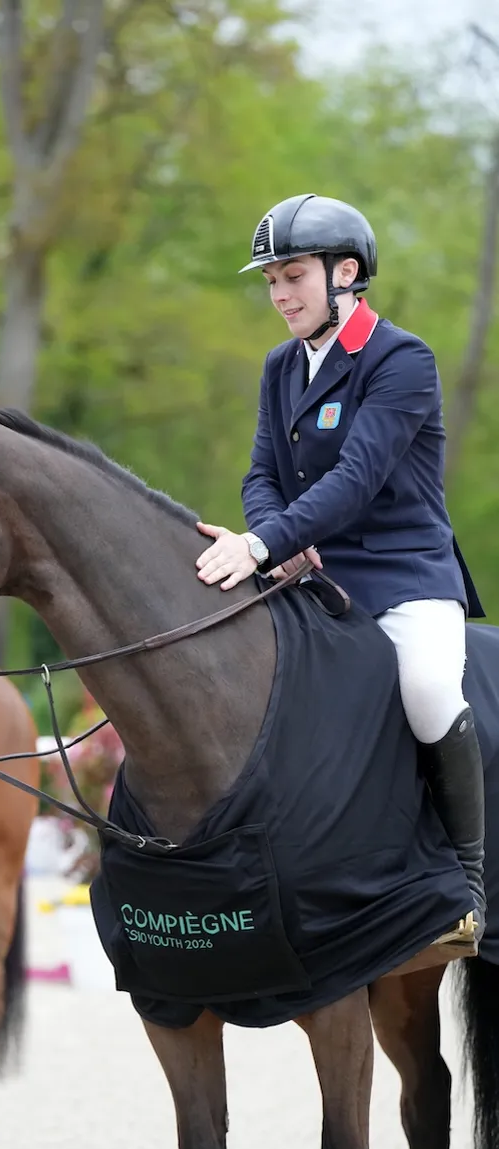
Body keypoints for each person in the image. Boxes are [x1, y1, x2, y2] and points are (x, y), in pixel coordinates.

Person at [194, 193, 485, 946]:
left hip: (401, 573)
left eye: (291, 275)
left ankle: (468, 883)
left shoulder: (400, 359)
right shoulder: (279, 367)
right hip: (311, 570)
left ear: (344, 273)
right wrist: (274, 535)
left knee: (425, 690)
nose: (279, 294)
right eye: (270, 281)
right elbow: (261, 473)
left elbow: (354, 478)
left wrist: (260, 546)